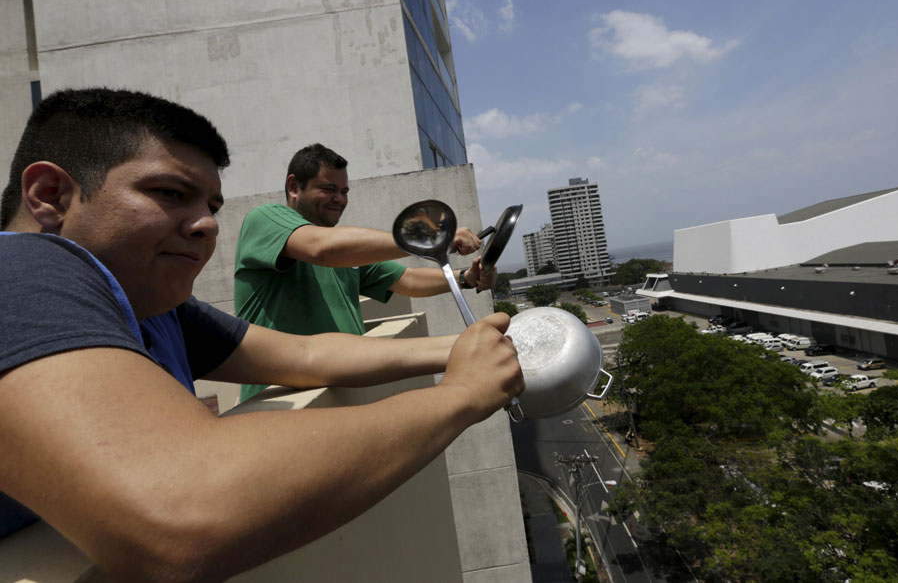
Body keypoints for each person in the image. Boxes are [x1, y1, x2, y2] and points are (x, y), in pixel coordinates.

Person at [0, 88, 523, 582]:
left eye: (210, 206)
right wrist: (460, 396)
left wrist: (472, 352)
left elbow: (308, 354)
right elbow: (182, 511)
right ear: (50, 194)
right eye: (169, 192)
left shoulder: (155, 308)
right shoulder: (20, 271)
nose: (205, 224)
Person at [234, 143, 497, 401]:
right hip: (280, 405)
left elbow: (408, 280)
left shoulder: (345, 250)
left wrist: (465, 278)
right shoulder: (265, 219)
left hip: (341, 395)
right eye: (328, 189)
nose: (340, 199)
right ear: (294, 187)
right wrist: (431, 235)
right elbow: (320, 249)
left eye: (344, 191)